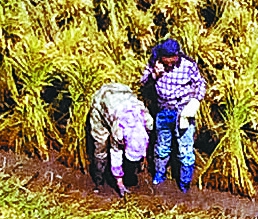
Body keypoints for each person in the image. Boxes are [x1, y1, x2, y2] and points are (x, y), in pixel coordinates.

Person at [140, 38, 206, 192]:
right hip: (163, 110)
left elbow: (200, 84)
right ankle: (159, 175)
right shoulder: (155, 63)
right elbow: (143, 82)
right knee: (162, 146)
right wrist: (155, 75)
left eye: (172, 59)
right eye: (166, 59)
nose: (169, 62)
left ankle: (184, 183)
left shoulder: (188, 65)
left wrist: (195, 101)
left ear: (178, 55)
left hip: (183, 111)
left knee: (185, 149)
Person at [87, 83, 151, 195]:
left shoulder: (147, 121)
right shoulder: (119, 132)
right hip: (103, 102)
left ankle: (129, 170)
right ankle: (99, 180)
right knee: (101, 145)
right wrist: (119, 182)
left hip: (123, 92)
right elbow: (115, 153)